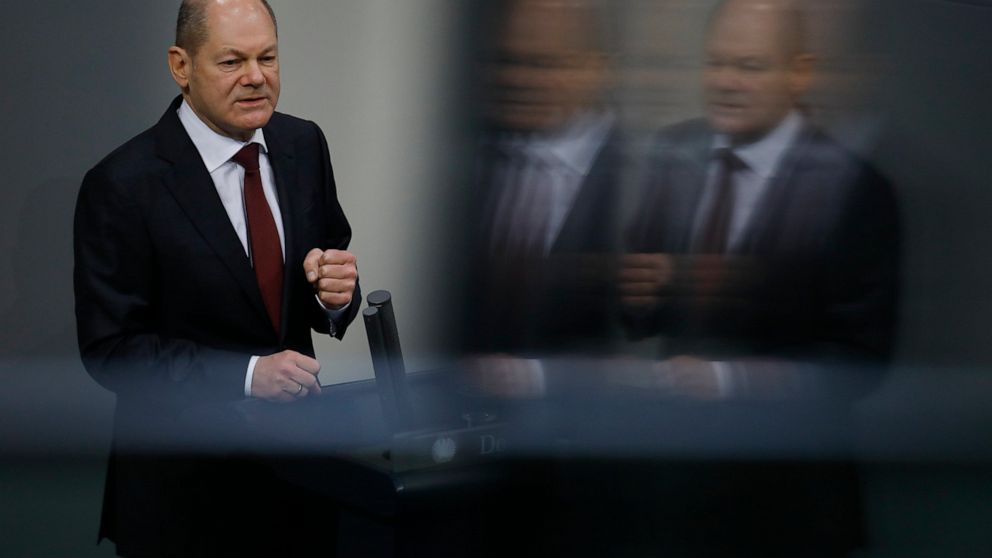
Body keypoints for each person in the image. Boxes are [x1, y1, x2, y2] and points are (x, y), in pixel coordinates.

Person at [612, 0, 900, 555]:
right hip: (674, 486)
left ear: (800, 72)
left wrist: (727, 380)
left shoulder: (854, 188)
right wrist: (637, 294)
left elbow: (860, 362)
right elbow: (638, 312)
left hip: (787, 496)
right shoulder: (673, 152)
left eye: (749, 66)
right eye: (716, 63)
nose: (725, 82)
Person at [73, 0, 360, 555]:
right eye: (232, 62)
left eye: (268, 58)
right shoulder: (123, 184)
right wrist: (247, 375)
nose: (256, 78)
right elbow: (111, 348)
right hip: (183, 497)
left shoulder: (304, 145)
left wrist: (331, 297)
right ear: (181, 66)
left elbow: (326, 265)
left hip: (299, 487)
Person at [466, 0, 621, 363]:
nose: (519, 80)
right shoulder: (460, 159)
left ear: (599, 68)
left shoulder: (641, 178)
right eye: (506, 62)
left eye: (543, 64)